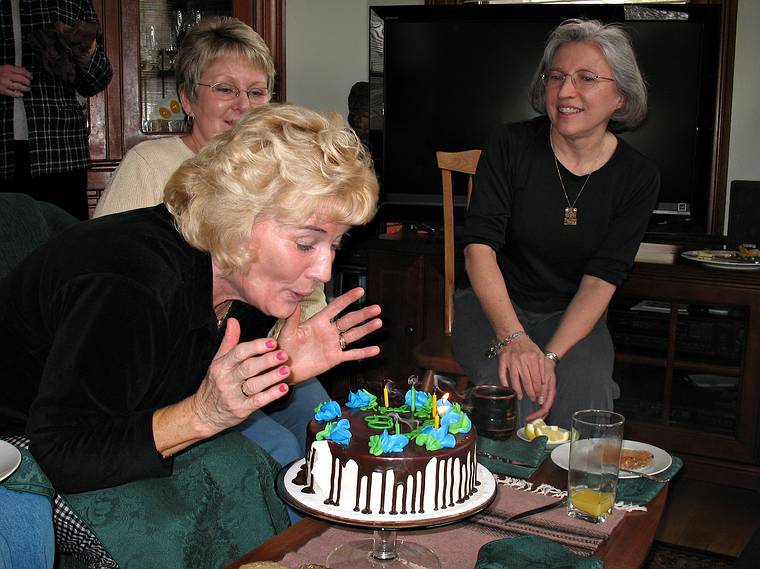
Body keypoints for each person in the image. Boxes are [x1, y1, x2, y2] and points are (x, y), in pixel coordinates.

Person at [0, 103, 381, 565]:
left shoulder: (244, 284)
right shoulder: (128, 284)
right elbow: (64, 450)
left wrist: (282, 365)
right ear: (238, 222)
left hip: (118, 422)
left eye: (333, 245)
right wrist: (203, 414)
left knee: (247, 469)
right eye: (306, 243)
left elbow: (179, 378)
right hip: (19, 443)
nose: (324, 270)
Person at [94, 16, 328, 470]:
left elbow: (309, 292)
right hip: (182, 379)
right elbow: (110, 282)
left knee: (329, 431)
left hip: (269, 357)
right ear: (187, 97)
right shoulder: (151, 164)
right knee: (277, 453)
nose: (243, 105)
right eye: (225, 88)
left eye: (257, 92)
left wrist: (298, 342)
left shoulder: (280, 178)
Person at [452, 19, 660, 429]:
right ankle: (507, 492)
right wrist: (515, 341)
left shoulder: (638, 176)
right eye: (557, 77)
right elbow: (479, 249)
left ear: (620, 95)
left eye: (586, 78)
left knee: (588, 395)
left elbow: (601, 280)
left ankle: (573, 493)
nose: (566, 92)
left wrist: (547, 356)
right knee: (514, 388)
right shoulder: (510, 145)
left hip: (570, 315)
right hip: (492, 306)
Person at [0, 0, 112, 220]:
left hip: (59, 151)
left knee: (64, 247)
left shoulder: (70, 2)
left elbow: (98, 80)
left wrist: (87, 52)